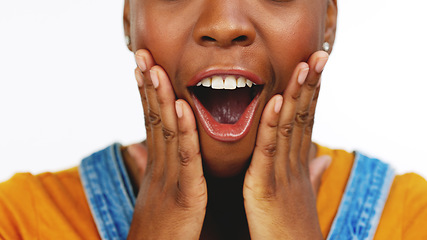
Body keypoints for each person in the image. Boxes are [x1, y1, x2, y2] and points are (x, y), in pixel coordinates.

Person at [1, 0, 426, 239]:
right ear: (129, 18)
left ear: (328, 19)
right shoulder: (19, 220)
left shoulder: (411, 218)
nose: (224, 25)